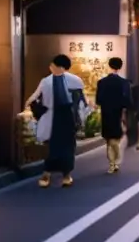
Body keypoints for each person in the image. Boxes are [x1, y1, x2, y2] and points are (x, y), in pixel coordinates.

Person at [29, 54, 87, 188]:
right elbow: (81, 103)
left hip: (51, 117)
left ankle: (46, 174)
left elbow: (34, 99)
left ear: (58, 66)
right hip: (69, 119)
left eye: (52, 65)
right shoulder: (77, 80)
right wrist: (81, 119)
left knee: (51, 147)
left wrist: (36, 111)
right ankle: (66, 176)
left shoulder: (46, 81)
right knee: (68, 147)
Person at [96, 57, 131, 174]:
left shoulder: (101, 82)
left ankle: (112, 163)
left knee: (109, 140)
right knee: (115, 139)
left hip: (106, 113)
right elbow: (128, 101)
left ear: (109, 66)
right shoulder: (124, 83)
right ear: (120, 67)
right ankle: (115, 160)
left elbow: (98, 100)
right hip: (119, 114)